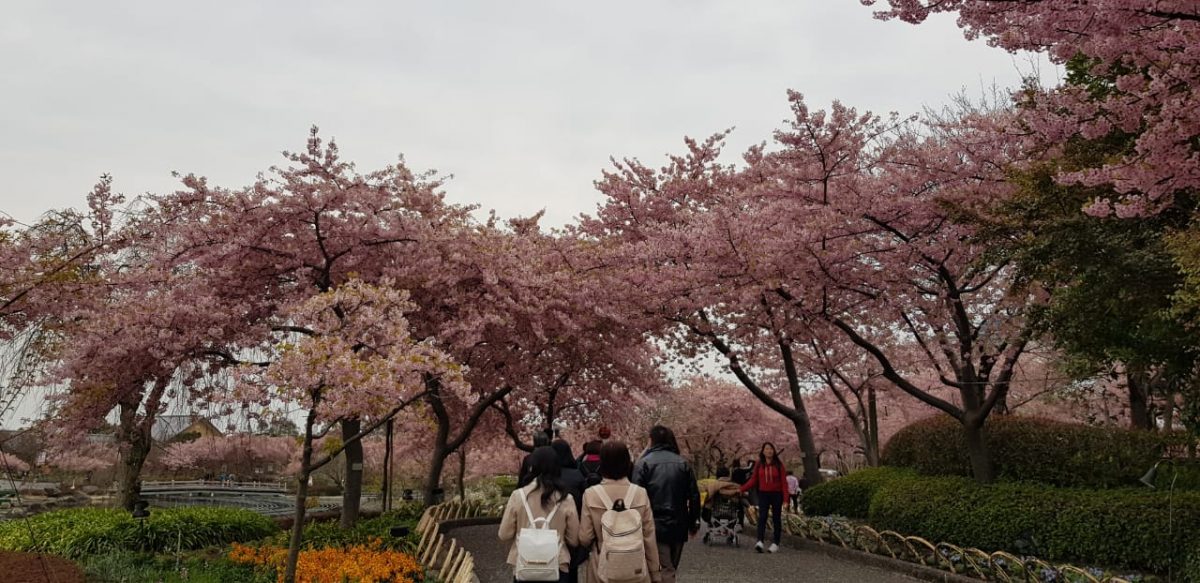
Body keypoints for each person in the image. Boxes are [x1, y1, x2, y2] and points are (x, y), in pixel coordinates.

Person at [579, 441, 661, 583]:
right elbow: (649, 537)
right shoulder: (640, 493)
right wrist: (655, 572)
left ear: (602, 464)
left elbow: (585, 538)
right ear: (627, 463)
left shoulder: (591, 494)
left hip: (602, 567)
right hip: (635, 567)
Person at [500, 446, 580, 583]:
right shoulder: (566, 499)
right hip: (557, 565)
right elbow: (574, 539)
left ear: (532, 467)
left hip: (524, 565)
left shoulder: (518, 496)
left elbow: (504, 534)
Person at [633, 426, 700, 583]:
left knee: (664, 568)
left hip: (653, 522)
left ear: (652, 440)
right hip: (679, 521)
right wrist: (693, 522)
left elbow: (635, 497)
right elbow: (694, 496)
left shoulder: (643, 464)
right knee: (670, 566)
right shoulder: (683, 464)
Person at [740, 442, 789, 553]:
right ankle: (759, 541)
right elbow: (753, 480)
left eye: (771, 449)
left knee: (776, 519)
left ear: (774, 451)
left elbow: (784, 483)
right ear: (763, 451)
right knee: (762, 517)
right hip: (763, 494)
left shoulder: (779, 465)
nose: (769, 451)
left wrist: (786, 500)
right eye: (767, 449)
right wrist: (741, 489)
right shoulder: (759, 464)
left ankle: (776, 543)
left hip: (777, 495)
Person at [551, 439, 587, 583]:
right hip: (573, 525)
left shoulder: (547, 477)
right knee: (571, 568)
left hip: (551, 529)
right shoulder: (577, 475)